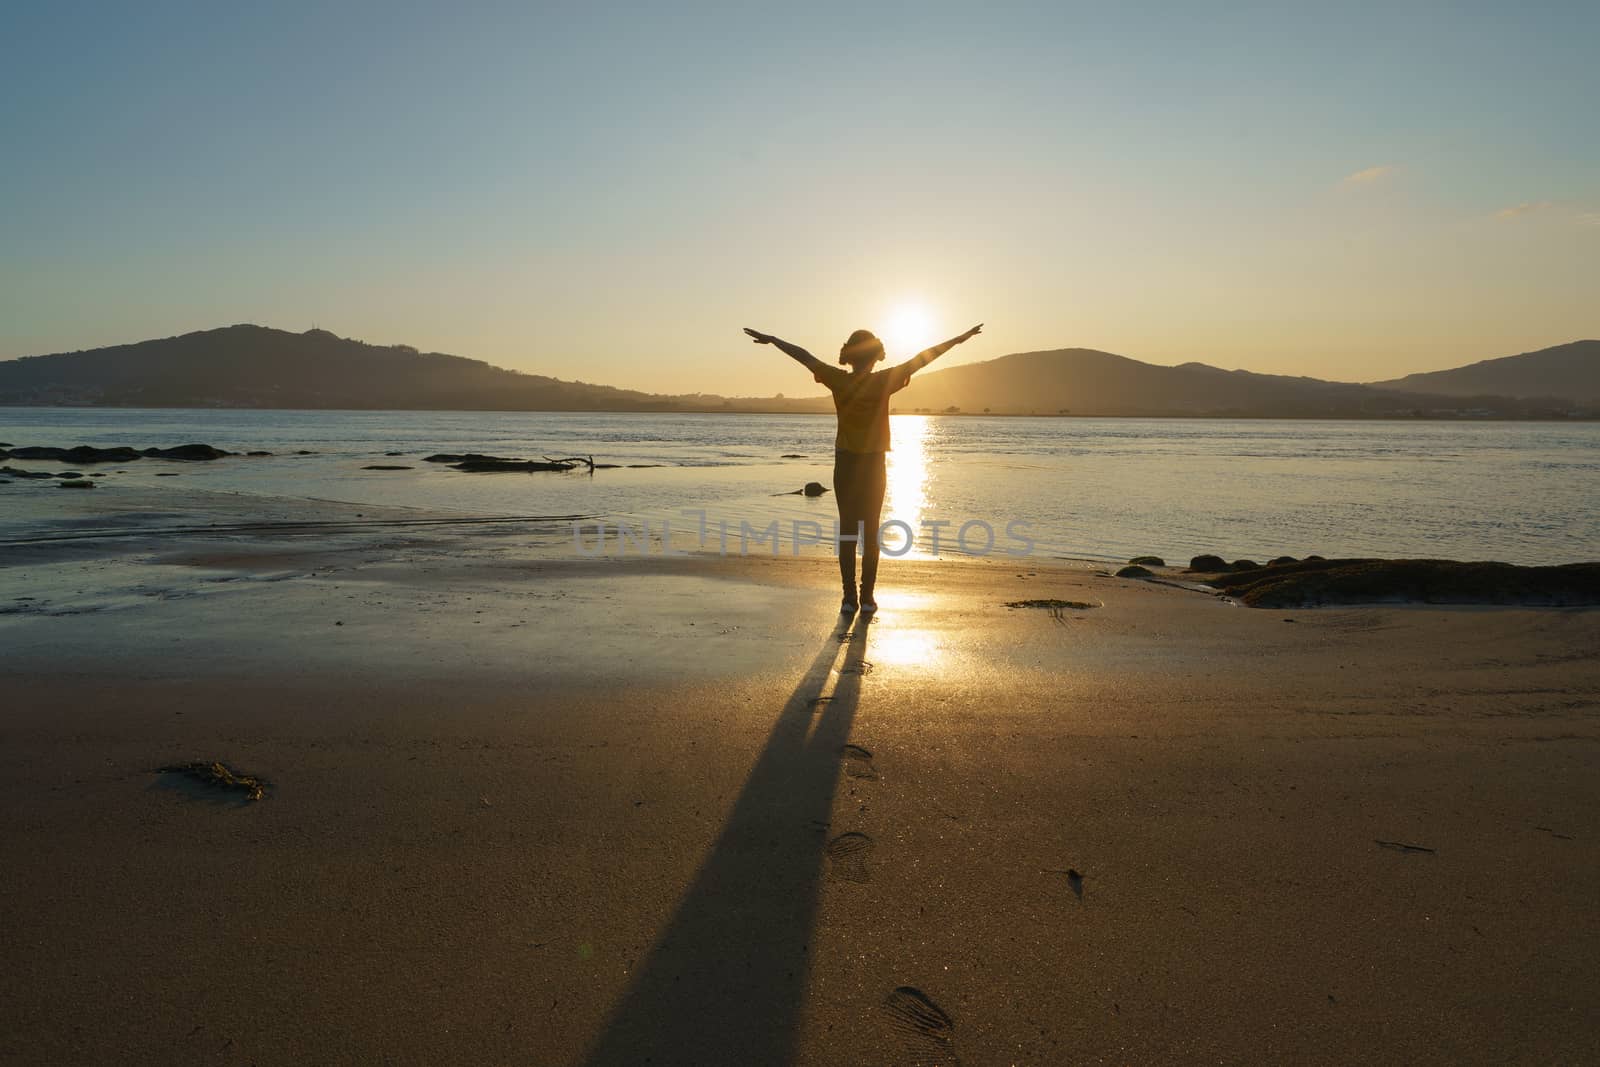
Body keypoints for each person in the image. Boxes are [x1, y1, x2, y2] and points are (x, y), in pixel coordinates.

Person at [743, 322, 984, 614]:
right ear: (875, 356)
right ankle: (866, 597)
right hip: (873, 464)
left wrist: (773, 339)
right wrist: (958, 339)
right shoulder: (884, 380)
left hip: (846, 462)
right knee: (870, 531)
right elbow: (925, 356)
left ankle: (848, 598)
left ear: (850, 356)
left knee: (848, 530)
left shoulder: (838, 379)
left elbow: (803, 355)